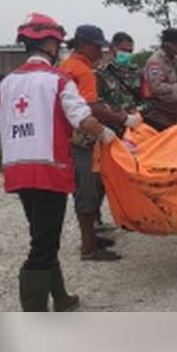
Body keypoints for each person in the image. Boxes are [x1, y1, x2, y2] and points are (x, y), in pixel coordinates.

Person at [0, 13, 118, 312]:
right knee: (41, 246)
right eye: (57, 44)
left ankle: (62, 298)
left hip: (19, 172)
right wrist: (107, 134)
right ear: (51, 44)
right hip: (49, 172)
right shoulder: (58, 80)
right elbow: (83, 118)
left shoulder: (8, 83)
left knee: (43, 235)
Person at [59, 25, 130, 262]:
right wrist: (122, 118)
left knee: (88, 187)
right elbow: (91, 107)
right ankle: (88, 248)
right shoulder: (83, 71)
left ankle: (91, 238)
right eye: (97, 46)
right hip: (84, 138)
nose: (100, 50)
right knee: (87, 189)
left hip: (69, 136)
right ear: (84, 45)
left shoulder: (66, 66)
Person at [95, 32, 146, 230]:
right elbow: (95, 102)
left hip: (131, 131)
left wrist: (137, 113)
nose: (127, 55)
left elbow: (146, 101)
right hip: (108, 130)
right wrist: (117, 113)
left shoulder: (136, 73)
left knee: (130, 174)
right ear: (113, 49)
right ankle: (96, 218)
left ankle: (129, 215)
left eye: (130, 51)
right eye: (124, 50)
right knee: (102, 175)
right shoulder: (100, 73)